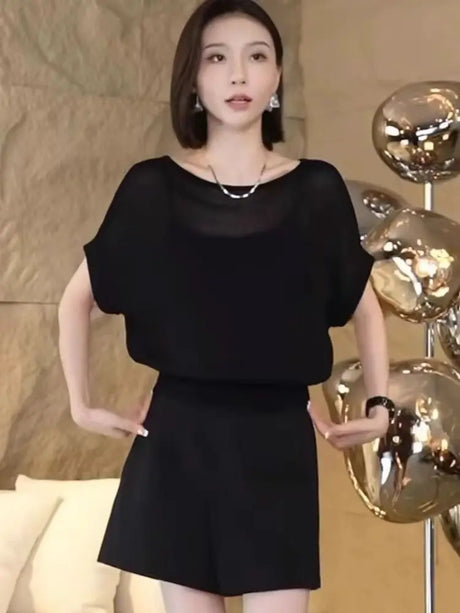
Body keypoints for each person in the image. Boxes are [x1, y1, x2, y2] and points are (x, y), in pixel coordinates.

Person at [57, 1, 391, 612]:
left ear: (277, 77)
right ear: (192, 79)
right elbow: (77, 298)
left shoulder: (317, 188)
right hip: (178, 439)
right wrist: (80, 405)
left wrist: (379, 403)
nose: (238, 74)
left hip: (278, 440)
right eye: (217, 58)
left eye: (256, 57)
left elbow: (364, 306)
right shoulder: (151, 187)